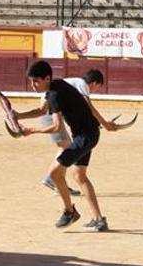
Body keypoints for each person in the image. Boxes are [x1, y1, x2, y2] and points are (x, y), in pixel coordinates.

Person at [14, 61, 117, 232]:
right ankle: (99, 219)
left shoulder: (54, 94)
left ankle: (70, 212)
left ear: (47, 78)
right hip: (87, 134)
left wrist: (31, 130)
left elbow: (56, 127)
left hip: (85, 136)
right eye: (31, 81)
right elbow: (41, 111)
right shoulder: (55, 87)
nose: (32, 85)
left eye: (36, 81)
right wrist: (19, 116)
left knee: (55, 173)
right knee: (79, 176)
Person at [40, 69, 107, 197]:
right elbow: (89, 108)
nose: (95, 90)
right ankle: (52, 179)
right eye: (98, 87)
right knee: (66, 146)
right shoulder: (82, 84)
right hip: (49, 111)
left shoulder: (74, 83)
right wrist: (104, 123)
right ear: (95, 83)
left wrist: (93, 123)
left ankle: (56, 182)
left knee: (67, 145)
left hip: (50, 109)